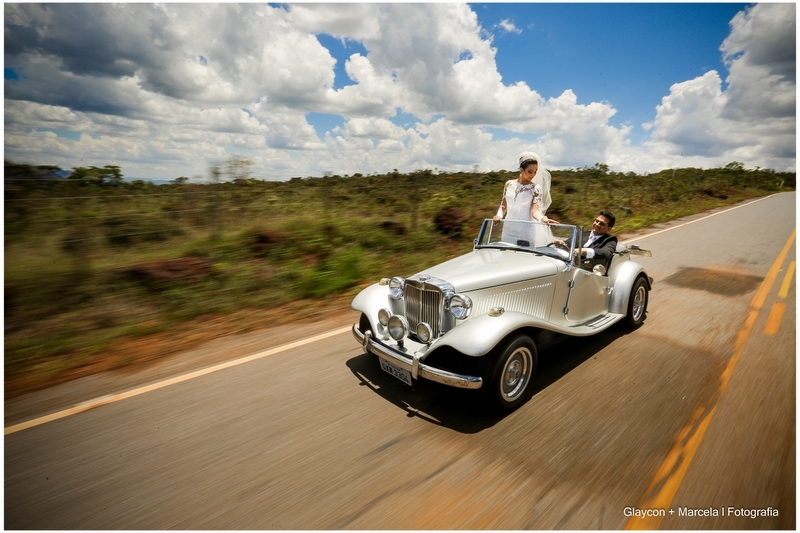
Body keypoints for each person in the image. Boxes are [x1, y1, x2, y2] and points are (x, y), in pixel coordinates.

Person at [493, 152, 557, 247]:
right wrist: (498, 216)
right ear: (521, 170)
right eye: (530, 171)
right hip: (508, 230)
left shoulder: (536, 188)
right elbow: (503, 206)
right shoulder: (508, 184)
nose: (533, 175)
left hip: (526, 232)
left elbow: (535, 211)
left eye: (535, 172)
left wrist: (542, 218)